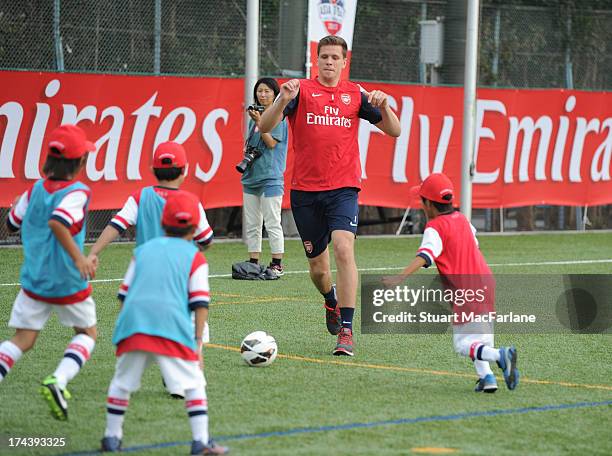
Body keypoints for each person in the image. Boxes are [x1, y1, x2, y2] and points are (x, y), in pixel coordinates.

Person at [259, 35, 401, 356]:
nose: (328, 62)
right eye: (324, 57)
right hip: (305, 193)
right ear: (316, 59)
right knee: (319, 271)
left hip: (343, 188)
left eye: (335, 57)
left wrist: (384, 106)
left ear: (343, 61)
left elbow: (394, 130)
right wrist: (281, 100)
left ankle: (347, 331)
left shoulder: (356, 94)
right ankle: (330, 299)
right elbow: (264, 127)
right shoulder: (299, 91)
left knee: (344, 250)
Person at [100, 191, 228, 454]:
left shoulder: (143, 251)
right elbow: (200, 304)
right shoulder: (195, 258)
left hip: (135, 327)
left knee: (121, 383)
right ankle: (200, 442)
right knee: (193, 384)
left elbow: (123, 294)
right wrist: (197, 343)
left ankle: (111, 437)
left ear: (162, 222)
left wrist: (125, 327)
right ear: (194, 228)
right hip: (172, 329)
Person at [88, 141, 213, 398]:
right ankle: (185, 377)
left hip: (145, 278)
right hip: (179, 279)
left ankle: (164, 377)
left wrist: (93, 252)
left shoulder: (140, 196)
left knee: (150, 329)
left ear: (152, 169)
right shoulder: (191, 201)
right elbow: (207, 240)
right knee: (190, 331)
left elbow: (116, 225)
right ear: (185, 170)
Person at [382, 173, 519, 393]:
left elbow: (426, 255)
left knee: (462, 344)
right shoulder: (462, 219)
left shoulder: (435, 227)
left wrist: (400, 277)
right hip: (485, 282)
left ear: (428, 204)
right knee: (480, 339)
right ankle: (487, 378)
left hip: (465, 290)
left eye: (422, 200)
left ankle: (500, 356)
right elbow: (475, 244)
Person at [0, 124, 98, 420]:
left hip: (35, 281)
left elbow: (11, 224)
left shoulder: (34, 189)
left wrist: (17, 211)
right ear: (81, 162)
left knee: (23, 340)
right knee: (87, 333)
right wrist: (80, 258)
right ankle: (59, 379)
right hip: (67, 281)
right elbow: (59, 222)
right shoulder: (78, 191)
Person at [241, 77, 289, 277]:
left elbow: (270, 143)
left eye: (267, 91)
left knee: (271, 222)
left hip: (270, 177)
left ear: (275, 95)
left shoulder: (277, 116)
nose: (263, 95)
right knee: (252, 223)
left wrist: (260, 122)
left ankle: (277, 263)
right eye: (260, 91)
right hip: (251, 177)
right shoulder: (255, 117)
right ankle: (254, 261)